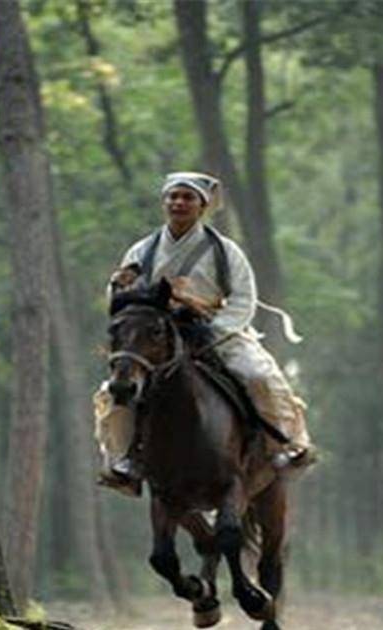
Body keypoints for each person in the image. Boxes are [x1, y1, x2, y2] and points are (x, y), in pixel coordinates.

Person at [95, 171, 316, 496]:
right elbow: (121, 302)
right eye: (173, 197)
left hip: (216, 332)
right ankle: (124, 461)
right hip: (157, 337)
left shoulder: (226, 252)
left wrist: (214, 329)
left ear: (203, 206)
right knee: (117, 391)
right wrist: (118, 285)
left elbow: (243, 299)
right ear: (164, 203)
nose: (178, 203)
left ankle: (283, 445)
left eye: (187, 198)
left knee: (258, 375)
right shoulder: (141, 251)